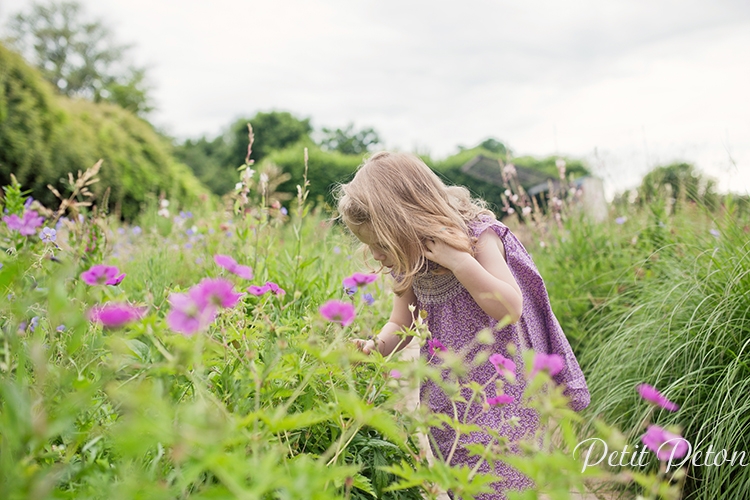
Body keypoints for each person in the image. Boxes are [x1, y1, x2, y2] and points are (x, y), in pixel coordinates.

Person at [336, 151, 590, 499]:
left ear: (408, 221)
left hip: (503, 391)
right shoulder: (408, 259)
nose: (377, 255)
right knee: (463, 478)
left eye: (381, 244)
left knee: (504, 480)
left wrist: (459, 262)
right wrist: (374, 347)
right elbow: (402, 319)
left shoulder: (477, 237)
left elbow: (509, 307)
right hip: (451, 397)